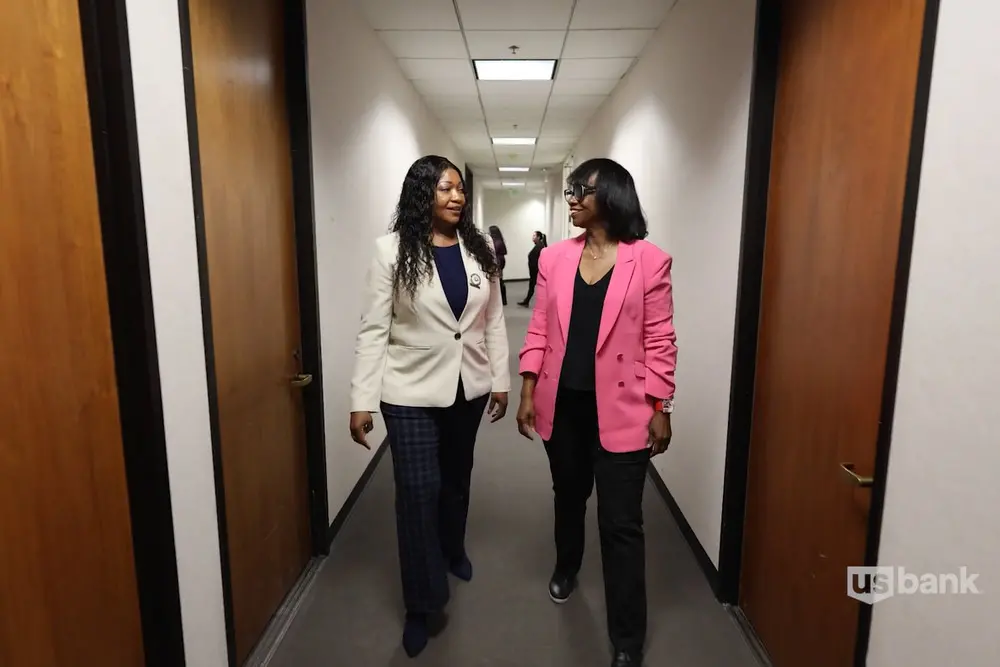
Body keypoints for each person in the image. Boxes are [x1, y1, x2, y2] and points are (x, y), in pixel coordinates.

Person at [516, 158, 677, 667]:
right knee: (568, 496)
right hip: (563, 407)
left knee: (622, 522)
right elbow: (539, 328)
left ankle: (627, 638)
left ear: (611, 195)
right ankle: (567, 565)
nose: (572, 199)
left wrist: (662, 405)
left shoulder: (649, 261)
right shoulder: (554, 258)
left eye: (581, 190)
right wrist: (527, 390)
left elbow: (661, 340)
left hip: (626, 411)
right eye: (570, 190)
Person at [349, 155, 511, 658]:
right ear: (423, 194)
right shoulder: (392, 251)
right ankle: (421, 603)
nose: (457, 196)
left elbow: (493, 321)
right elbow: (374, 328)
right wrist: (361, 399)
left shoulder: (479, 250)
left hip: (467, 388)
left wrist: (500, 380)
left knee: (455, 482)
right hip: (409, 392)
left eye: (460, 188)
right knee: (418, 492)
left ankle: (453, 548)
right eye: (445, 188)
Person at [518, 230, 547, 307]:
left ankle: (527, 301)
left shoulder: (539, 246)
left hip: (536, 270)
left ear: (538, 237)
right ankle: (526, 301)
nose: (532, 237)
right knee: (532, 286)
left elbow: (538, 259)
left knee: (534, 286)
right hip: (535, 270)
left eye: (534, 236)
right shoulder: (539, 245)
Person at [487, 225, 508, 305]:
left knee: (498, 280)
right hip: (500, 261)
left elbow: (492, 251)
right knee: (500, 280)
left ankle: (502, 299)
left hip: (497, 262)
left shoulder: (496, 241)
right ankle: (503, 299)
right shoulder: (500, 240)